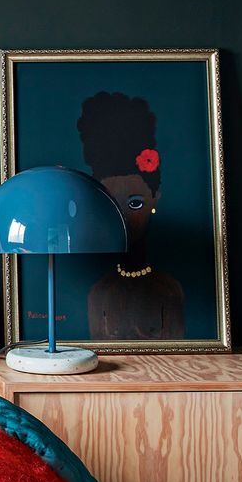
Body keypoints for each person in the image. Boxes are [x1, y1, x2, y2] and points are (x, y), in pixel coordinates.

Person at [77, 91, 185, 340]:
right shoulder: (99, 293)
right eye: (112, 204)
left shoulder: (170, 290)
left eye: (135, 203)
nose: (123, 216)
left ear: (155, 198)